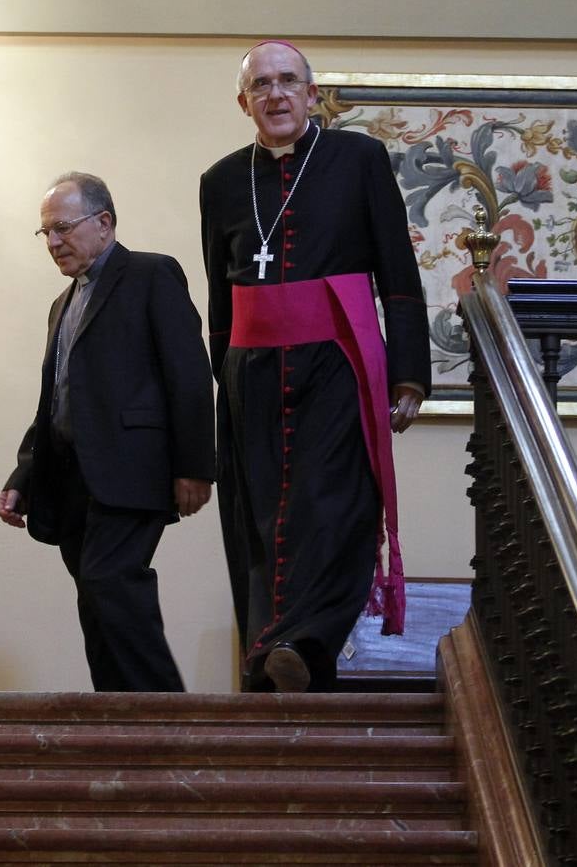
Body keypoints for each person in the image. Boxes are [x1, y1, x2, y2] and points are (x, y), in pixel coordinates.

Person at [200, 40, 431, 692]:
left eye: (287, 81)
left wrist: (408, 372)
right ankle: (268, 650)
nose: (275, 94)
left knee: (334, 505)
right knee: (260, 510)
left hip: (337, 359)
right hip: (251, 370)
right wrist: (225, 380)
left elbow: (398, 271)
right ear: (244, 101)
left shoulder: (358, 159)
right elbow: (219, 296)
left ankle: (306, 640)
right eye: (261, 85)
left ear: (311, 93)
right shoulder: (220, 180)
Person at [0, 172, 214, 691]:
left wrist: (196, 466)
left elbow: (188, 373)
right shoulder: (62, 305)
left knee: (110, 583)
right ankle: (117, 727)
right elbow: (54, 402)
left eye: (62, 229)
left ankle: (169, 728)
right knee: (96, 603)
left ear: (104, 223)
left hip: (133, 471)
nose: (52, 243)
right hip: (72, 482)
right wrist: (22, 478)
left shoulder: (152, 275)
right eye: (44, 233)